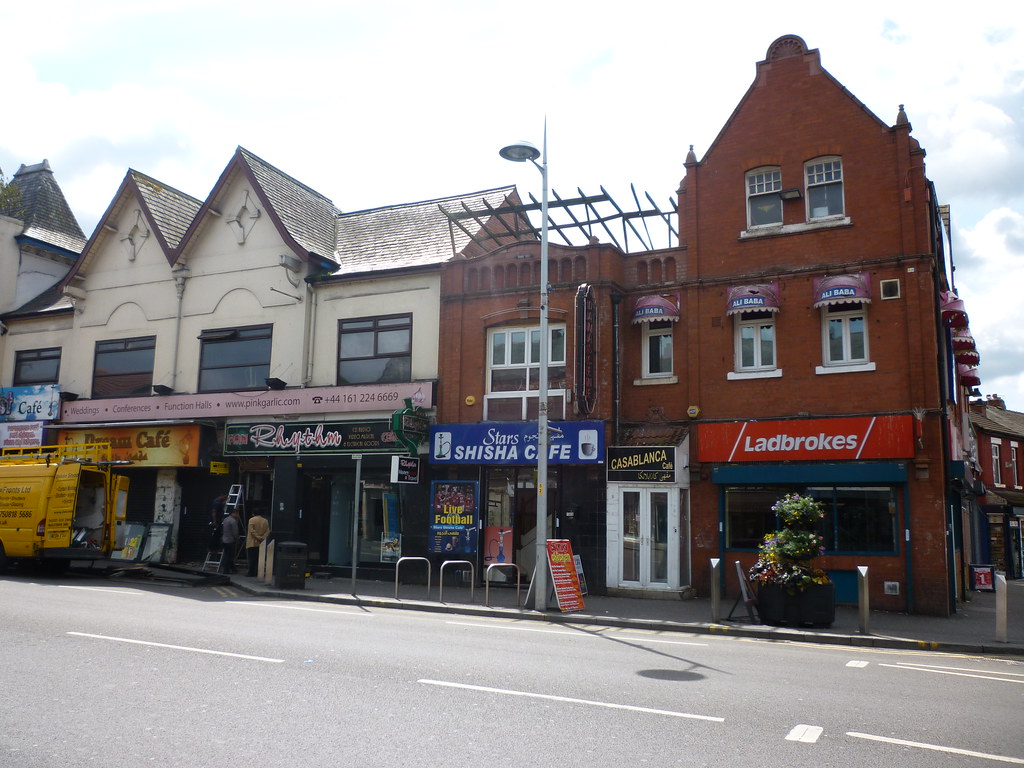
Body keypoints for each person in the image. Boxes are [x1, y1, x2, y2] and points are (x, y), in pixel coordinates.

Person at [246, 507, 270, 577]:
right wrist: (262, 537)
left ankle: (251, 572)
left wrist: (258, 537)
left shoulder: (251, 520)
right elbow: (268, 531)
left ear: (253, 513)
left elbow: (251, 530)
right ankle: (258, 572)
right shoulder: (265, 520)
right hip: (261, 543)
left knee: (251, 558)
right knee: (259, 558)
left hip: (252, 542)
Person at [219, 507, 241, 574]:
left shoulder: (225, 519)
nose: (237, 515)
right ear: (233, 513)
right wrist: (238, 539)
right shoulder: (233, 521)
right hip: (230, 541)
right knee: (229, 556)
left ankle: (233, 569)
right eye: (237, 513)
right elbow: (235, 532)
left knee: (227, 555)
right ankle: (226, 570)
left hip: (224, 540)